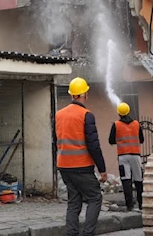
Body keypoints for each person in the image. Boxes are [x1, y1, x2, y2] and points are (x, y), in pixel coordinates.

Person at [56, 77, 107, 236]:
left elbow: (55, 140)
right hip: (82, 167)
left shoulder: (59, 114)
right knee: (95, 198)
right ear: (84, 94)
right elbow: (93, 145)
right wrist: (102, 170)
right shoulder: (86, 115)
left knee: (73, 202)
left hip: (64, 166)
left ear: (72, 94)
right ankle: (88, 233)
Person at [108, 102, 144, 212]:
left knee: (126, 180)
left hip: (123, 156)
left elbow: (111, 140)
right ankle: (141, 204)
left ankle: (129, 205)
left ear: (119, 113)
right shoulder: (137, 124)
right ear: (128, 111)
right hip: (136, 155)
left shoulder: (116, 124)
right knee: (139, 180)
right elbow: (141, 140)